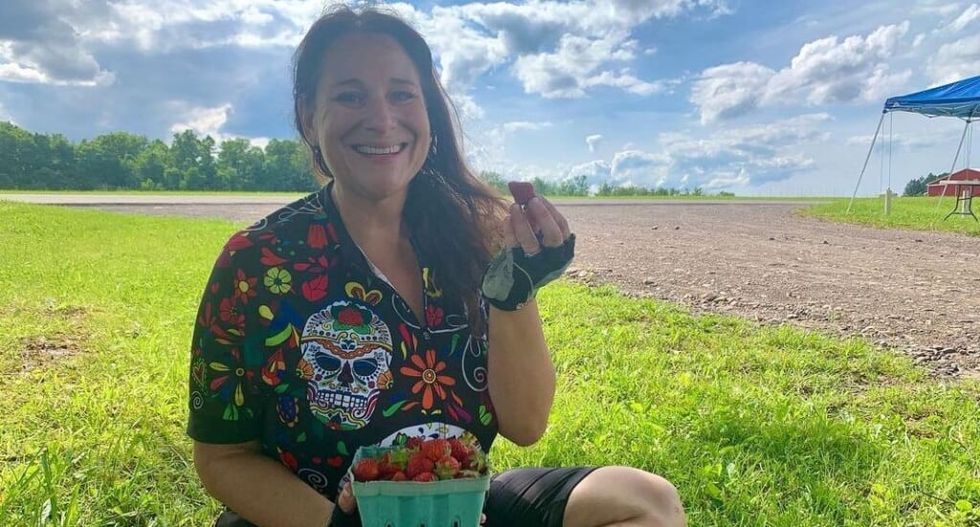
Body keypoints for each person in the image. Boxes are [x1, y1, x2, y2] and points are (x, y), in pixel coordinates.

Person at [186, 5, 686, 527]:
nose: (382, 119)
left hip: (456, 507)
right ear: (309, 114)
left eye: (402, 93)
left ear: (429, 110)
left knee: (642, 501)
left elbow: (525, 423)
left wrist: (515, 294)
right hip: (313, 516)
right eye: (350, 95)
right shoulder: (257, 261)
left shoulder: (478, 237)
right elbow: (223, 457)